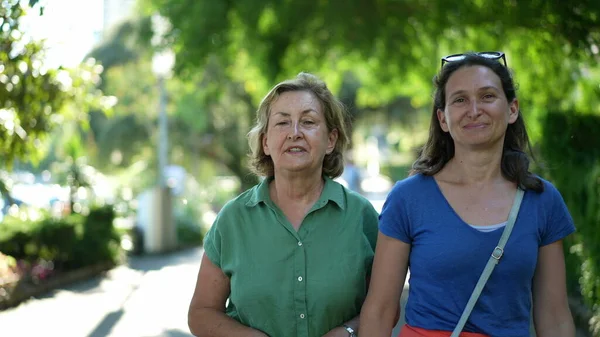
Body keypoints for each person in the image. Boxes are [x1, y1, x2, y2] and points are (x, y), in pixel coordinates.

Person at [359, 52, 576, 337]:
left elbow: (555, 315)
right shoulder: (408, 198)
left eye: (487, 96)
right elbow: (380, 310)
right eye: (460, 100)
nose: (474, 110)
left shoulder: (543, 200)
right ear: (443, 118)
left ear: (512, 109)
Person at [188, 72, 379, 337]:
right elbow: (201, 314)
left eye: (309, 121)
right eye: (282, 123)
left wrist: (348, 331)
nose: (295, 133)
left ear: (331, 140)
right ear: (266, 142)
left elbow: (383, 307)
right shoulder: (233, 219)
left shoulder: (362, 217)